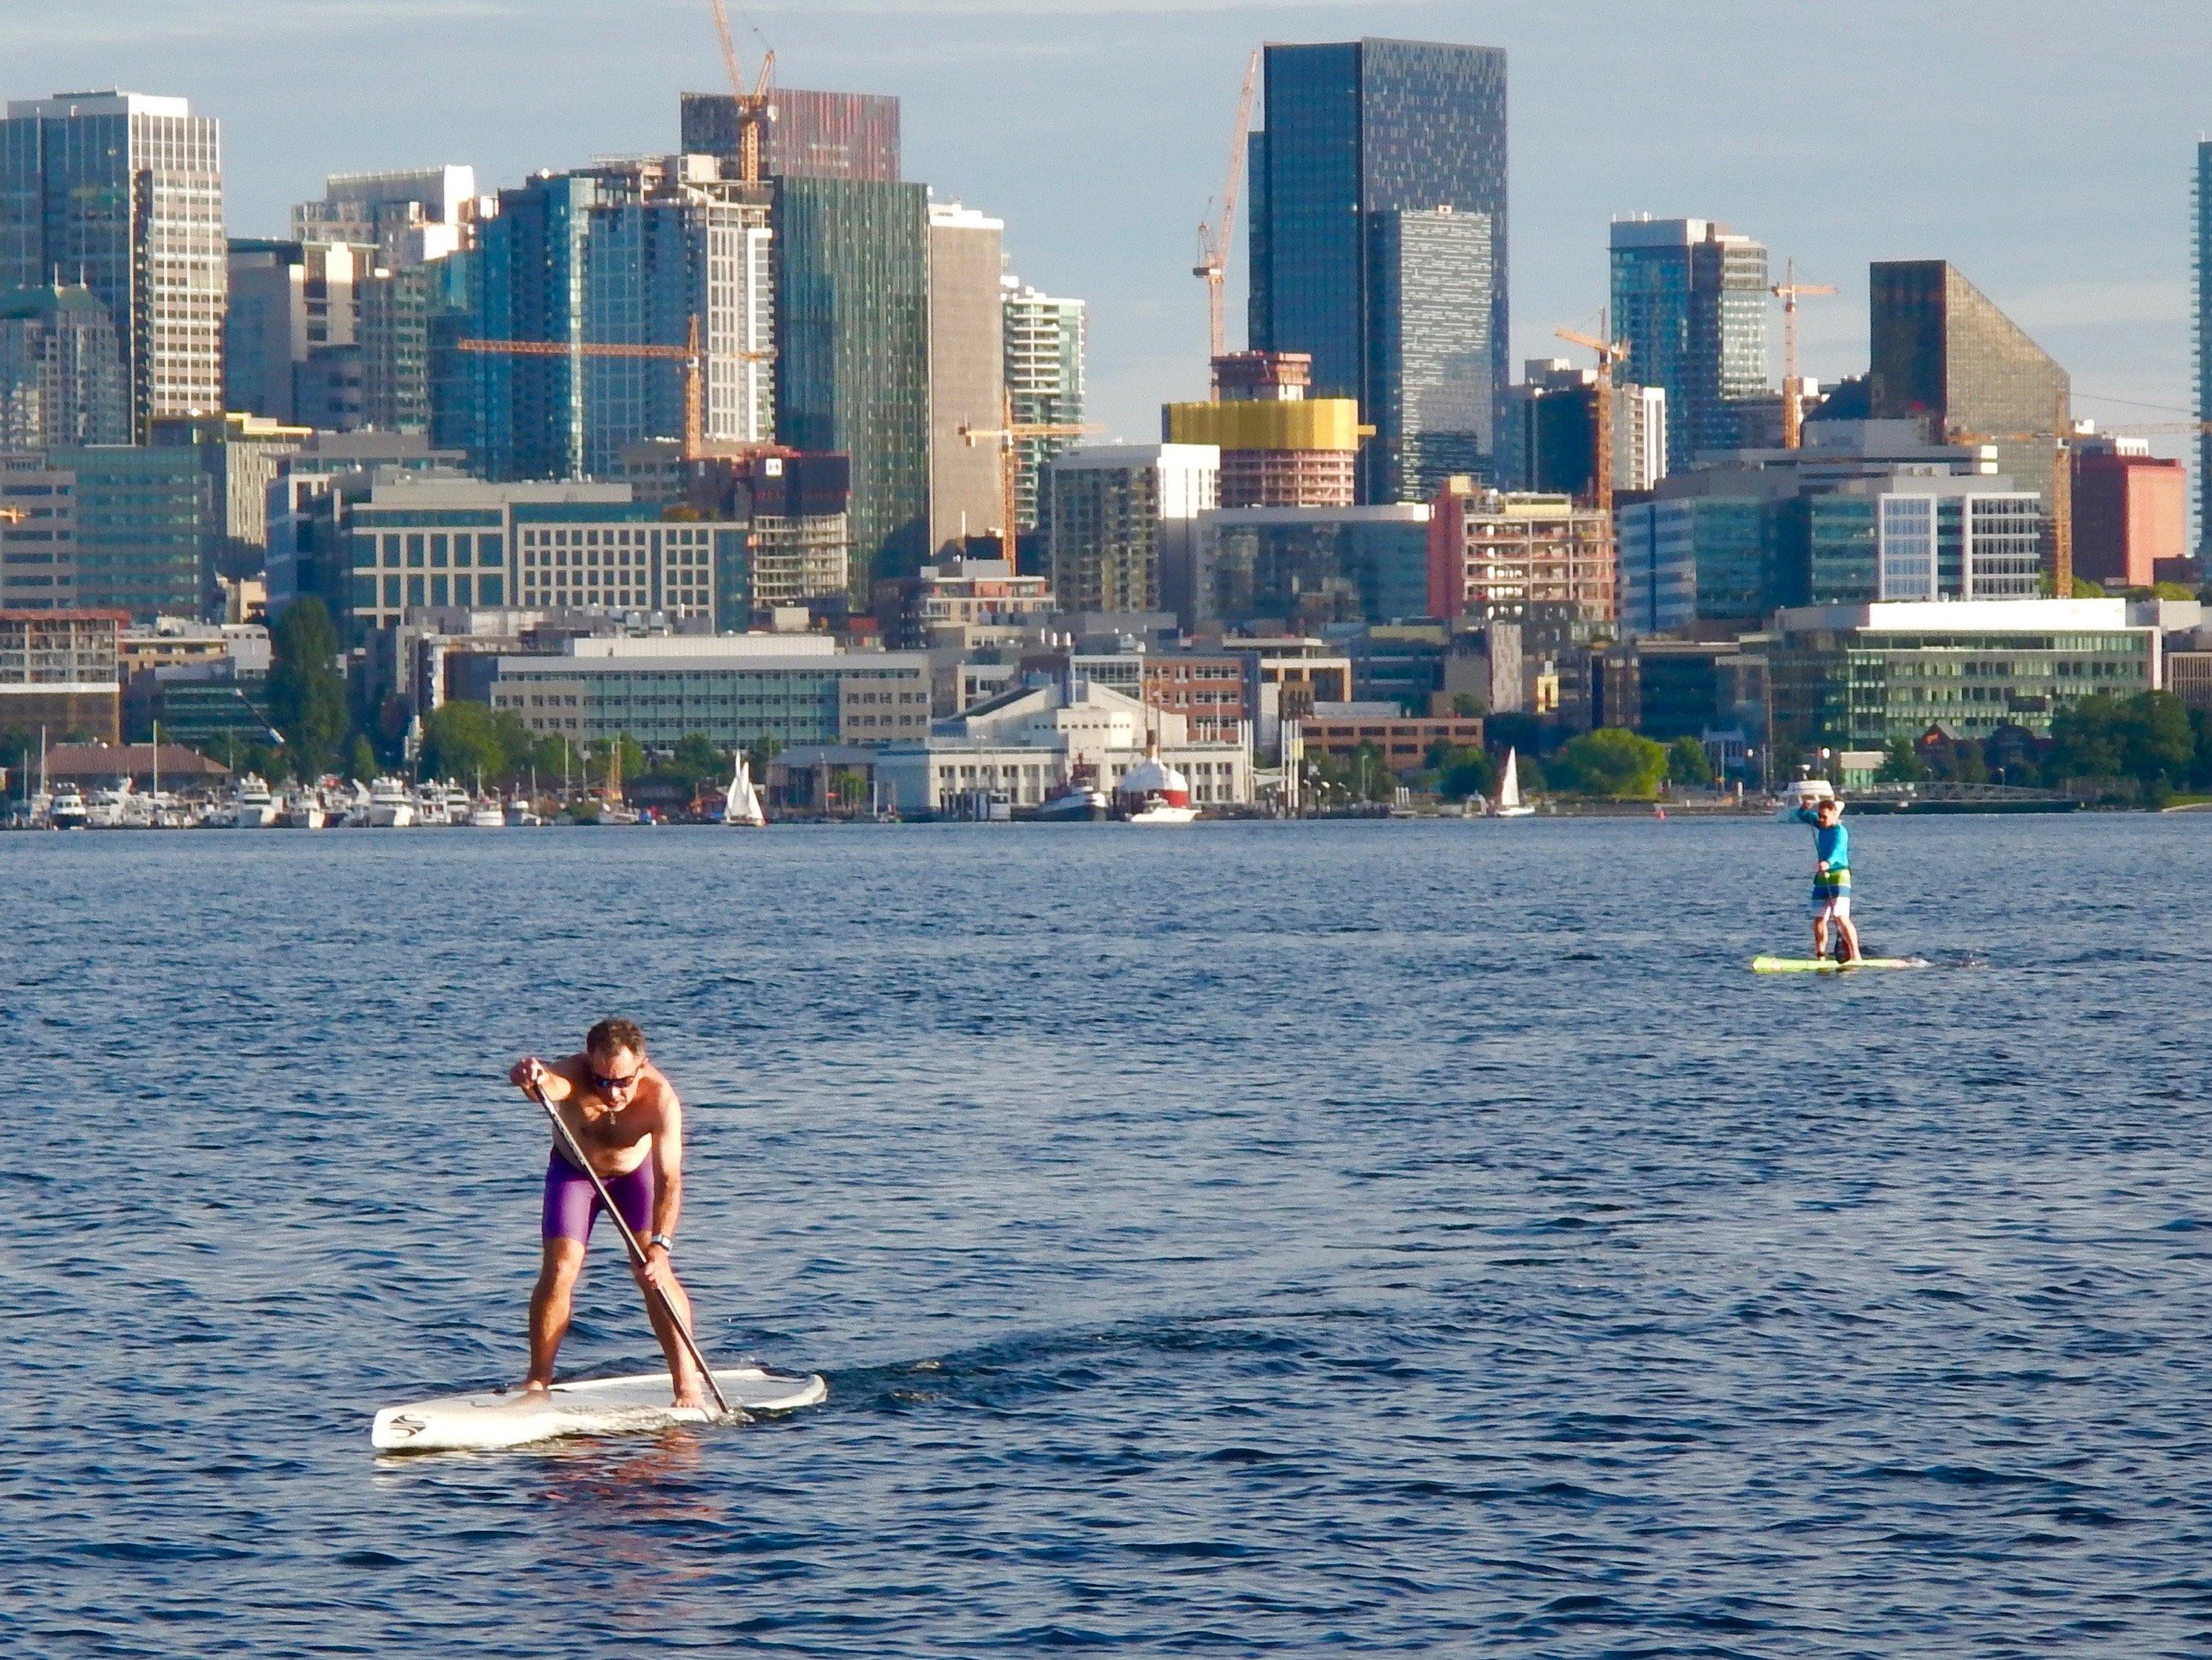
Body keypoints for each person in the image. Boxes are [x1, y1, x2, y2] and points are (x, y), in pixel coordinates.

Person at [508, 1018, 706, 1407]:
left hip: (634, 1179)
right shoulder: (574, 1073)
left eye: (623, 1082)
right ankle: (538, 1380)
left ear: (642, 1066)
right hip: (574, 1176)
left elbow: (669, 1180)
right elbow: (548, 1086)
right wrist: (531, 1078)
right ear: (589, 1063)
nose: (612, 1093)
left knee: (652, 1272)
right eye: (602, 1081)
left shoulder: (660, 1100)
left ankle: (687, 1386)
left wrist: (661, 1247)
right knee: (561, 1266)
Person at [1794, 795, 1862, 963]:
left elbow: (1837, 851)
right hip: (1822, 878)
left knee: (1840, 917)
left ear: (1834, 815)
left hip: (1839, 875)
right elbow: (1802, 816)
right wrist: (1804, 808)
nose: (1821, 820)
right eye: (1819, 816)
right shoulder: (1820, 825)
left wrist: (1828, 863)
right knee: (1819, 918)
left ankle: (1856, 955)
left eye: (1824, 817)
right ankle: (1820, 956)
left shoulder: (1840, 832)